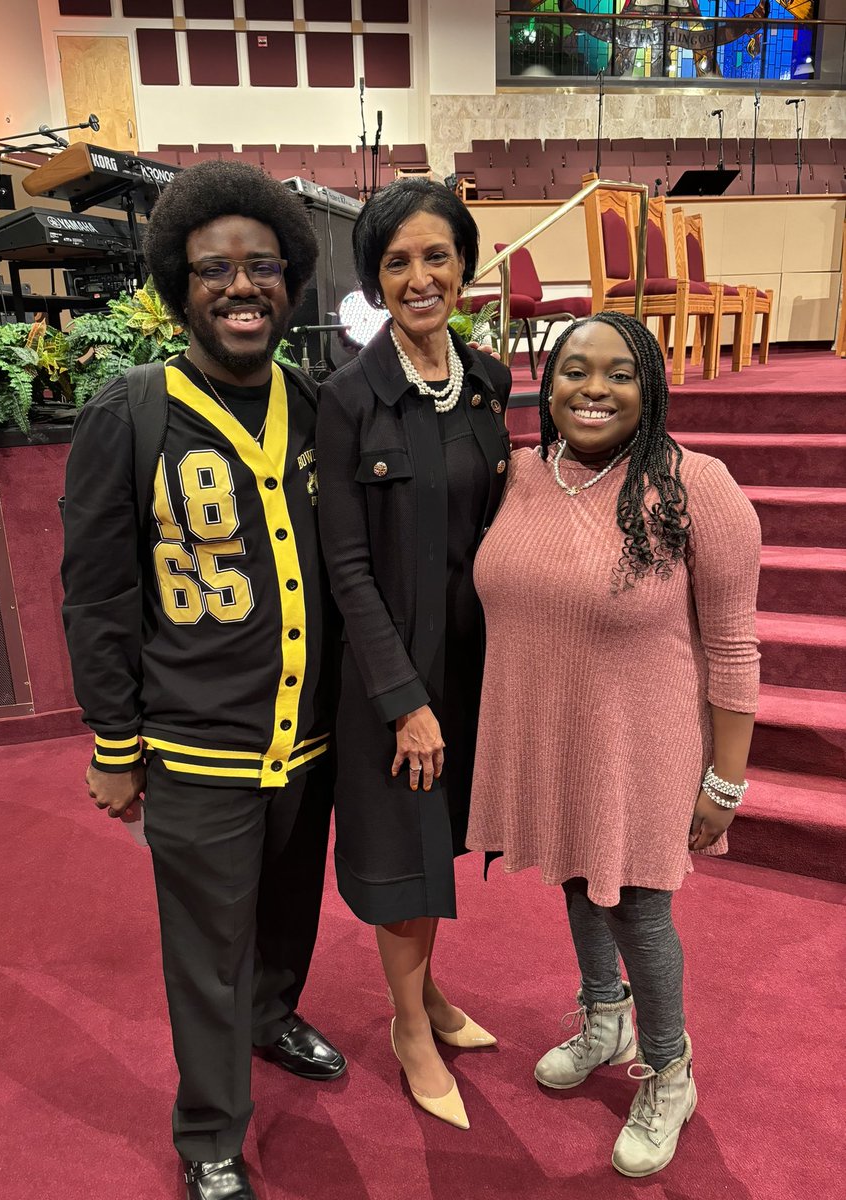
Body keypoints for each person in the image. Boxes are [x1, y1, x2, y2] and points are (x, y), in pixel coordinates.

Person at [61, 161, 346, 1200]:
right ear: (178, 287)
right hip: (193, 747)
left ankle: (275, 1018)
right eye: (213, 269)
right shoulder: (129, 412)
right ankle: (212, 1133)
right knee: (206, 951)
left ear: (292, 280)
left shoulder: (316, 407)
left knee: (286, 915)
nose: (241, 287)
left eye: (262, 267)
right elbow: (95, 594)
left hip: (306, 741)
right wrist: (112, 739)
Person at [467, 312, 761, 1176]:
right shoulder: (519, 474)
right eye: (573, 371)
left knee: (635, 901)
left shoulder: (693, 484)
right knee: (572, 870)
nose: (592, 389)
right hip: (549, 728)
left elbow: (737, 645)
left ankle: (670, 1067)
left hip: (645, 740)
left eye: (619, 374)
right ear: (546, 384)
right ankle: (605, 1015)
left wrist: (726, 782)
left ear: (653, 387)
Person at [315, 177, 512, 1131]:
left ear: (466, 266)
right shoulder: (349, 398)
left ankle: (429, 995)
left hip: (469, 664)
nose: (420, 276)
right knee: (401, 856)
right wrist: (404, 698)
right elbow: (345, 566)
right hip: (391, 677)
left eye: (437, 256)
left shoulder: (487, 380)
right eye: (397, 262)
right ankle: (407, 1025)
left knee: (439, 847)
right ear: (374, 280)